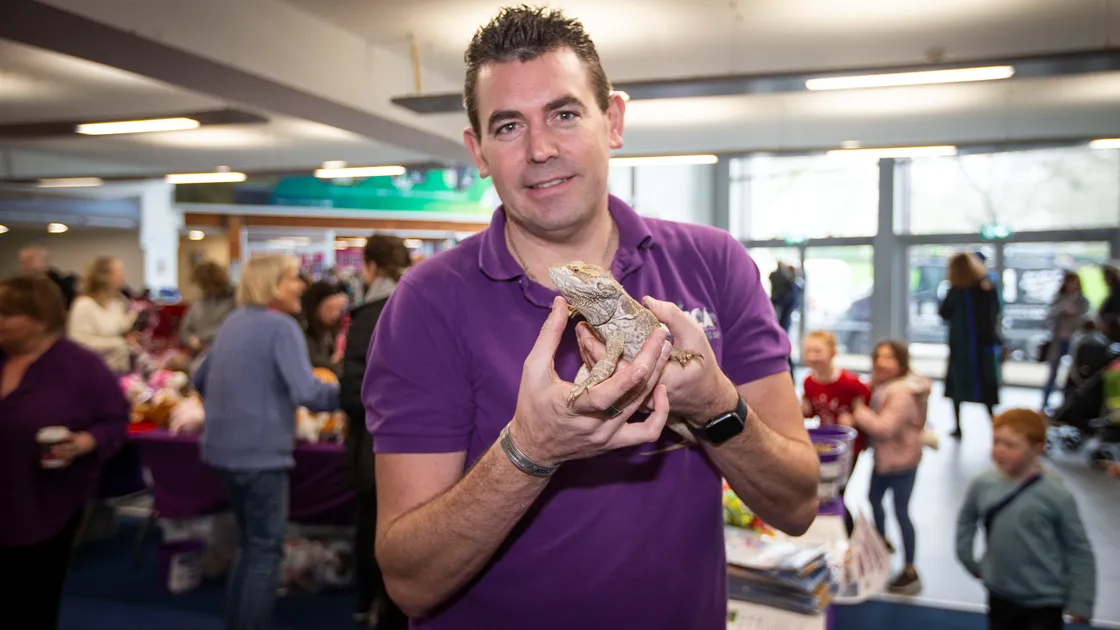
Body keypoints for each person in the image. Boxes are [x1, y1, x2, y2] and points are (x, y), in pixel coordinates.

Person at [360, 6, 818, 628]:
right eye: (507, 127)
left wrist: (714, 403)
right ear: (478, 151)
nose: (540, 149)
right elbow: (409, 582)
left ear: (615, 120)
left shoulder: (714, 263)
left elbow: (797, 504)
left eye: (565, 113)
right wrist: (530, 450)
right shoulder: (425, 302)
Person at [192, 254, 339, 630]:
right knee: (264, 552)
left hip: (224, 453)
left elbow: (200, 377)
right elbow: (308, 392)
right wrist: (355, 389)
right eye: (294, 278)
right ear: (274, 283)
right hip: (260, 457)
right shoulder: (282, 327)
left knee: (250, 545)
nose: (302, 286)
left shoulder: (232, 322)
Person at [0, 275, 129, 630]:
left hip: (45, 503)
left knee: (30, 598)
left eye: (6, 314)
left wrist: (84, 442)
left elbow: (116, 420)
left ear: (40, 319)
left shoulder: (79, 366)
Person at [955, 408, 1095, 630]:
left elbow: (1078, 549)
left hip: (1045, 600)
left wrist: (1082, 601)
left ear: (1037, 449)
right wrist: (968, 558)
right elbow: (967, 518)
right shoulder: (983, 484)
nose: (1000, 450)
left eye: (1010, 445)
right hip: (1000, 593)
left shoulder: (1056, 495)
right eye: (996, 441)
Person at [340, 235, 413, 629]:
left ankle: (374, 607)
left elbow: (351, 392)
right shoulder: (430, 303)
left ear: (370, 267)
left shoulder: (368, 315)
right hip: (438, 451)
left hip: (377, 449)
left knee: (375, 533)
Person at [839, 340, 930, 595]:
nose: (881, 362)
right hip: (884, 460)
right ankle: (880, 544)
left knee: (901, 511)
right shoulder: (882, 385)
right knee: (873, 500)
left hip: (902, 462)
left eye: (889, 358)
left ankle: (910, 569)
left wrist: (858, 412)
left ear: (901, 362)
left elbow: (884, 427)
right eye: (878, 356)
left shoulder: (902, 392)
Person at [801, 330, 871, 533]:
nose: (812, 356)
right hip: (824, 446)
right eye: (808, 351)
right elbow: (810, 410)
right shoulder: (809, 382)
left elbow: (865, 403)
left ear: (833, 353)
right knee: (824, 490)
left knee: (837, 491)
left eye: (818, 351)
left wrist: (854, 417)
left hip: (849, 448)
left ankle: (849, 532)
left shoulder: (849, 383)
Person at [939, 252, 1001, 438]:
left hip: (966, 348)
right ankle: (993, 425)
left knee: (966, 388)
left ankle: (961, 427)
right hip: (976, 348)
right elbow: (996, 311)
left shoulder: (976, 288)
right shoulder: (982, 288)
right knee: (982, 388)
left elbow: (943, 313)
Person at [67, 256, 139, 374]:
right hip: (93, 373)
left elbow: (122, 329)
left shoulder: (116, 303)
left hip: (120, 369)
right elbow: (79, 343)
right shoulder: (84, 305)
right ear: (105, 277)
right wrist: (121, 343)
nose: (123, 278)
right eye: (119, 273)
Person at [1040, 271, 1089, 411]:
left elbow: (1086, 321)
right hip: (1057, 341)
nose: (1070, 285)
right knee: (1052, 374)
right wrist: (1062, 308)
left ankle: (1066, 406)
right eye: (1068, 282)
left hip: (1074, 341)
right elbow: (1048, 316)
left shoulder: (1083, 301)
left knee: (1072, 375)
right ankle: (1044, 403)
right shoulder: (1059, 299)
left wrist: (1075, 317)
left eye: (1073, 282)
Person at [180, 261, 237, 357]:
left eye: (209, 285)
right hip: (197, 355)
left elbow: (232, 328)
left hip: (222, 354)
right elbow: (185, 329)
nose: (207, 289)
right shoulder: (198, 303)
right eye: (203, 286)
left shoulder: (234, 301)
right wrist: (190, 339)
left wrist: (202, 339)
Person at [300, 281, 349, 377]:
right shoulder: (303, 333)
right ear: (315, 307)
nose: (335, 314)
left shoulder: (330, 331)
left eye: (338, 309)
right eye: (329, 309)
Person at [18, 245, 77, 310]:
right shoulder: (19, 289)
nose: (25, 264)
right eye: (22, 261)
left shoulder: (63, 286)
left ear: (43, 260)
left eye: (29, 259)